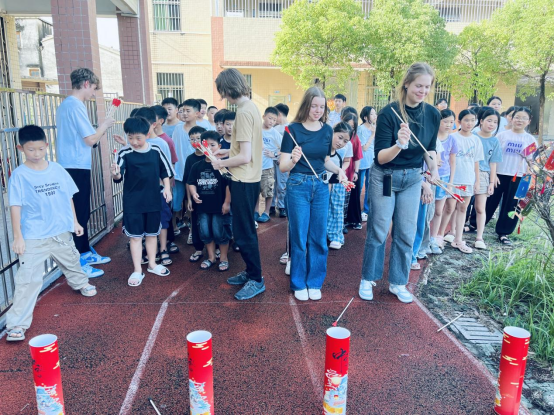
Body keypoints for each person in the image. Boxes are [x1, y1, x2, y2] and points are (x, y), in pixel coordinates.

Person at [6, 125, 97, 341]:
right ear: (20, 148)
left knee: (72, 261)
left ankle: (80, 283)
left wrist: (74, 222)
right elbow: (15, 206)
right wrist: (18, 236)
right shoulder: (19, 175)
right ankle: (17, 324)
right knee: (28, 280)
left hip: (61, 231)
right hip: (34, 237)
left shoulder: (57, 169)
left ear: (47, 145)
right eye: (31, 150)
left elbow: (68, 197)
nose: (36, 154)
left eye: (40, 149)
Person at [359, 62, 440, 304]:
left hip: (413, 178)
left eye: (427, 86)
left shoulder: (432, 114)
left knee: (406, 231)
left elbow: (430, 149)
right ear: (406, 84)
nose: (423, 91)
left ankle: (398, 281)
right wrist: (399, 144)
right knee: (379, 228)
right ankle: (368, 278)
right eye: (418, 85)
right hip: (386, 176)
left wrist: (434, 170)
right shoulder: (389, 113)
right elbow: (380, 158)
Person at [279, 86, 347, 301]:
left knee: (318, 236)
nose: (318, 110)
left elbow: (325, 160)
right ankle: (298, 282)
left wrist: (339, 170)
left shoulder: (327, 130)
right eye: (314, 106)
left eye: (321, 106)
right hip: (297, 185)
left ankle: (315, 282)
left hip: (320, 186)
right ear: (306, 105)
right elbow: (283, 166)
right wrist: (293, 160)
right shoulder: (292, 130)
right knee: (299, 237)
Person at [55, 68, 114, 279]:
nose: (93, 94)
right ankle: (78, 260)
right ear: (87, 83)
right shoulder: (75, 105)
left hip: (72, 164)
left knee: (81, 213)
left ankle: (84, 252)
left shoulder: (66, 105)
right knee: (79, 214)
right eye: (94, 89)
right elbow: (91, 139)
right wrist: (104, 126)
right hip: (75, 166)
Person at [212, 69, 266, 300]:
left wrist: (219, 163)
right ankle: (251, 273)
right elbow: (247, 149)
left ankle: (256, 278)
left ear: (227, 88)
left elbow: (245, 156)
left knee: (244, 233)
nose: (222, 95)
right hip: (249, 178)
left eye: (222, 91)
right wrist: (226, 152)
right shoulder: (250, 106)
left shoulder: (243, 113)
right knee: (244, 230)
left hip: (243, 179)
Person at [111, 117, 173, 286]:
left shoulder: (156, 150)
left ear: (147, 135)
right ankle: (138, 270)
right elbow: (118, 176)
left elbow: (165, 172)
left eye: (138, 138)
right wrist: (116, 173)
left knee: (152, 234)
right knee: (136, 237)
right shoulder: (124, 153)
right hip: (133, 203)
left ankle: (152, 264)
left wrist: (167, 189)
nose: (134, 142)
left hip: (153, 200)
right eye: (130, 137)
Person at [482, 107, 537, 245]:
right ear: (511, 118)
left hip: (519, 177)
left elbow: (531, 161)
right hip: (499, 174)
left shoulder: (530, 139)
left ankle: (504, 232)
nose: (520, 120)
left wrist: (528, 177)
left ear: (529, 121)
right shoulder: (501, 136)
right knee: (489, 201)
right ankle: (475, 225)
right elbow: (492, 157)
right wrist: (493, 174)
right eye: (517, 117)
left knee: (512, 205)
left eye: (524, 118)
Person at [439, 109, 484, 254]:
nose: (469, 123)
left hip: (468, 179)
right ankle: (439, 236)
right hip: (453, 179)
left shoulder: (476, 140)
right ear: (459, 122)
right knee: (449, 208)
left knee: (463, 209)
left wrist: (477, 181)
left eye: (472, 120)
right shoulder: (452, 137)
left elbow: (476, 162)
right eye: (466, 120)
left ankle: (458, 239)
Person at [187, 131, 231, 272]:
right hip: (203, 207)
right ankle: (211, 257)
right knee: (205, 232)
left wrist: (227, 203)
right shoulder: (197, 166)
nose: (209, 148)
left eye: (212, 145)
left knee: (220, 232)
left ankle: (223, 258)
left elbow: (229, 185)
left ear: (219, 146)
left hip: (219, 206)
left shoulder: (223, 165)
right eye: (205, 145)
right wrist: (193, 193)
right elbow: (191, 182)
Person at [467, 107, 502, 249]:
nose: (492, 124)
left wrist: (491, 182)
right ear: (481, 121)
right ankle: (454, 233)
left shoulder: (494, 141)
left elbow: (493, 163)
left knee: (480, 208)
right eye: (489, 120)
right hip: (467, 172)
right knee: (461, 206)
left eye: (495, 122)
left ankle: (479, 237)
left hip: (483, 175)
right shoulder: (472, 136)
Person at [430, 109, 458, 251]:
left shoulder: (452, 140)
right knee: (426, 211)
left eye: (451, 122)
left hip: (444, 178)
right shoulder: (431, 137)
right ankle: (423, 238)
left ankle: (434, 237)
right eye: (445, 121)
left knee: (438, 210)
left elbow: (452, 162)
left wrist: (451, 182)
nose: (448, 124)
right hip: (428, 177)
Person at [172, 99, 200, 232]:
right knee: (176, 203)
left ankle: (192, 228)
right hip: (178, 172)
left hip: (195, 174)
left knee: (193, 202)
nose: (184, 113)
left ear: (197, 113)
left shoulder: (201, 131)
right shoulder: (178, 128)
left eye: (188, 111)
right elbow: (173, 149)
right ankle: (174, 227)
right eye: (182, 111)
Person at [327, 122, 353, 250]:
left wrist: (341, 173)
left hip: (336, 185)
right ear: (333, 132)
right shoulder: (322, 151)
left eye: (345, 141)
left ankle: (336, 236)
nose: (341, 143)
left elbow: (346, 162)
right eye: (340, 137)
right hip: (322, 186)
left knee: (336, 210)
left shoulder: (338, 157)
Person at [184, 126, 208, 261]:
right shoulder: (190, 159)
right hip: (195, 197)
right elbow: (188, 181)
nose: (195, 141)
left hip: (211, 196)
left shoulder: (210, 157)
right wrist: (189, 199)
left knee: (212, 222)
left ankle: (216, 248)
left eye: (198, 138)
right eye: (192, 139)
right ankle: (198, 249)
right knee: (196, 222)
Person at [256, 107, 281, 223]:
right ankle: (256, 211)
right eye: (270, 118)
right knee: (255, 190)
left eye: (274, 120)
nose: (272, 121)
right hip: (255, 167)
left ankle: (266, 212)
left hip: (267, 167)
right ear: (264, 116)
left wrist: (274, 154)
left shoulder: (274, 133)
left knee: (268, 190)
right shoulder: (256, 129)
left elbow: (285, 148)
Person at [342, 112, 363, 231]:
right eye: (347, 125)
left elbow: (357, 157)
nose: (349, 128)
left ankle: (353, 220)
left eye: (352, 126)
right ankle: (341, 222)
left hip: (350, 171)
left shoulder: (355, 138)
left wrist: (356, 172)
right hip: (338, 171)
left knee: (351, 198)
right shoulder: (337, 135)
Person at [358, 106, 377, 222]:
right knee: (359, 187)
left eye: (375, 113)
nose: (375, 116)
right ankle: (356, 211)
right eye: (372, 114)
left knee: (370, 187)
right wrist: (372, 135)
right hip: (362, 162)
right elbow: (364, 147)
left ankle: (366, 210)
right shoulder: (361, 129)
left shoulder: (375, 128)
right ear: (365, 117)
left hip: (372, 162)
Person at [271, 103, 290, 217]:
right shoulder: (273, 128)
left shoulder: (290, 127)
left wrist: (283, 157)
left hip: (282, 161)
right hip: (271, 159)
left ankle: (282, 206)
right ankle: (272, 205)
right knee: (271, 183)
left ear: (279, 114)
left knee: (282, 184)